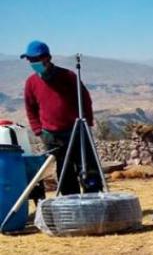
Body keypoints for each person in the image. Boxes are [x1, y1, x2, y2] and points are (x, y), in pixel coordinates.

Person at [21, 40, 102, 195]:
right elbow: (30, 108)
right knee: (64, 172)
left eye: (36, 59)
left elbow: (84, 99)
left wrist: (88, 123)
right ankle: (70, 205)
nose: (33, 63)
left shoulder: (67, 76)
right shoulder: (31, 82)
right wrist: (39, 131)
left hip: (76, 130)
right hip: (51, 135)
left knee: (87, 167)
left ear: (47, 58)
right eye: (30, 60)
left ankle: (94, 200)